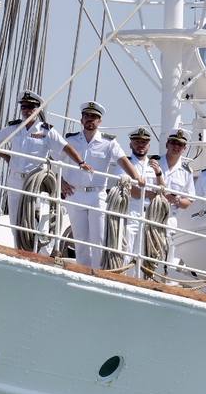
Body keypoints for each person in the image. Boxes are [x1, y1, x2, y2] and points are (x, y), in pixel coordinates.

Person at [62, 101, 143, 269]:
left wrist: (137, 177)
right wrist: (61, 182)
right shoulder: (70, 140)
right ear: (81, 119)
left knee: (98, 239)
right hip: (74, 194)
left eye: (94, 117)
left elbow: (122, 160)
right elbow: (55, 160)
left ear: (99, 121)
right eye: (87, 116)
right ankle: (83, 272)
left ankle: (98, 273)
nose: (90, 119)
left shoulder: (109, 143)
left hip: (96, 195)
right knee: (80, 239)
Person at [0, 90, 90, 220]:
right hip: (15, 180)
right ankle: (18, 240)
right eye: (23, 107)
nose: (27, 110)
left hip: (35, 182)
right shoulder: (14, 128)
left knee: (33, 219)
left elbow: (66, 147)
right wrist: (7, 158)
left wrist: (81, 163)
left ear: (38, 109)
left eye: (31, 107)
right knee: (14, 220)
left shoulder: (46, 131)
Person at [122, 127, 155, 262]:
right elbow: (129, 190)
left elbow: (161, 190)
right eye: (137, 142)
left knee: (145, 255)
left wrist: (158, 174)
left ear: (148, 145)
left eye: (144, 142)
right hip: (131, 214)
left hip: (150, 216)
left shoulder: (155, 166)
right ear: (130, 144)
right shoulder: (125, 163)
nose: (140, 145)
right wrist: (149, 193)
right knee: (127, 253)